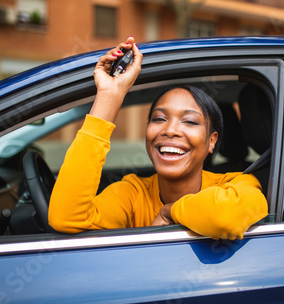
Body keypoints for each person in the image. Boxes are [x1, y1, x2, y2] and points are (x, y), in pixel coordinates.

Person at [49, 36, 268, 240]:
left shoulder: (238, 183)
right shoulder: (131, 193)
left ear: (212, 141)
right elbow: (67, 218)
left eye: (190, 122)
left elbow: (225, 218)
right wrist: (109, 94)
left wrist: (169, 212)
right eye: (159, 119)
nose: (170, 130)